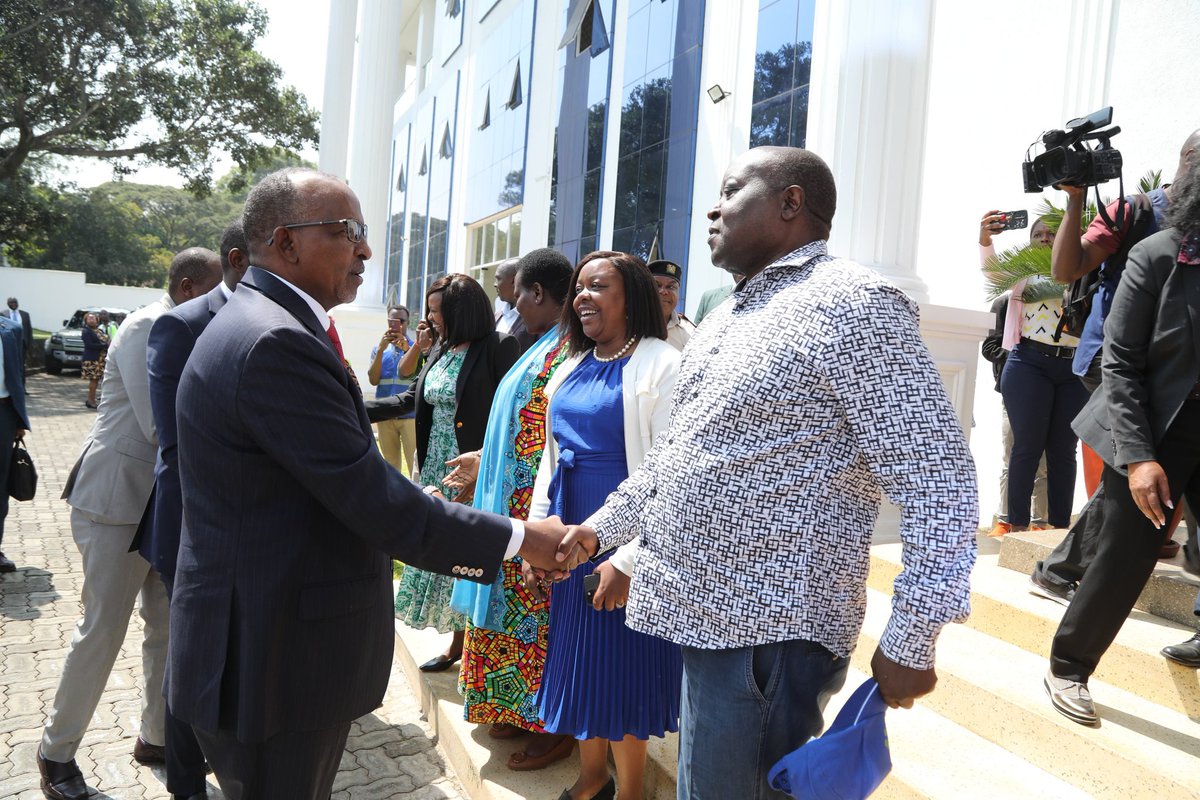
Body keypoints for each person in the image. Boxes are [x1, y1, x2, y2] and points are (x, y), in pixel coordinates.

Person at [554, 146, 978, 799]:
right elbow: (676, 459)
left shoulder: (853, 302)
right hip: (702, 616)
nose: (713, 207)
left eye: (732, 190)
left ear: (790, 203)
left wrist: (915, 632)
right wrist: (596, 530)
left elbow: (936, 476)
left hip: (769, 633)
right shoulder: (729, 317)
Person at [166, 168, 576, 799]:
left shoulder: (260, 322)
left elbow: (329, 471)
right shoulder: (274, 340)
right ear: (286, 242)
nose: (365, 250)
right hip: (274, 653)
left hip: (257, 639)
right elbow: (370, 501)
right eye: (347, 231)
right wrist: (522, 539)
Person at [37, 250, 222, 800]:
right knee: (102, 630)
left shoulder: (178, 325)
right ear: (188, 287)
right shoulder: (150, 326)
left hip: (157, 508)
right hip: (116, 504)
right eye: (214, 293)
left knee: (165, 627)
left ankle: (156, 738)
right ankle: (55, 754)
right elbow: (158, 426)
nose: (220, 307)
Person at [1045, 157, 1200, 726]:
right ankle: (1069, 666)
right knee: (1126, 555)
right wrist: (1138, 459)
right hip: (1153, 425)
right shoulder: (1157, 254)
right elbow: (1123, 364)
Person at [531, 251, 682, 800]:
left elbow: (669, 475)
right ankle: (592, 778)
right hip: (570, 529)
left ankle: (632, 790)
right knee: (578, 657)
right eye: (579, 288)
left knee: (621, 666)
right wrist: (537, 539)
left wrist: (630, 560)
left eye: (598, 287)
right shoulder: (570, 367)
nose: (583, 297)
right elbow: (552, 461)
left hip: (627, 533)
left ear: (631, 297)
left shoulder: (663, 364)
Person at [1032, 129, 1200, 598]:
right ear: (1187, 160)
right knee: (1134, 463)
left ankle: (1066, 568)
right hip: (1114, 359)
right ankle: (1061, 570)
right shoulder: (1135, 210)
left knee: (1142, 465)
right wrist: (1074, 201)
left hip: (1170, 371)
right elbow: (1066, 271)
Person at [443, 247, 577, 770]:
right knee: (511, 613)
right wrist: (484, 459)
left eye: (519, 291)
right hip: (510, 505)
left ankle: (552, 722)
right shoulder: (541, 342)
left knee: (535, 617)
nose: (514, 301)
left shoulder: (570, 350)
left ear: (538, 293)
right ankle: (517, 707)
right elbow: (517, 423)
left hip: (538, 512)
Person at [138, 231, 247, 800]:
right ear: (240, 260)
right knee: (190, 658)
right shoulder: (180, 325)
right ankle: (185, 783)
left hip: (244, 529)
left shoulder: (275, 320)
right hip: (191, 525)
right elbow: (175, 441)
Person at [370, 274, 520, 672]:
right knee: (441, 550)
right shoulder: (442, 349)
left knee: (467, 551)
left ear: (461, 310)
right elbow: (410, 398)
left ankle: (466, 649)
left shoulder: (498, 347)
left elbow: (511, 415)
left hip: (470, 467)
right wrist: (356, 406)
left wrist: (485, 465)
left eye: (437, 311)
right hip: (434, 465)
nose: (431, 319)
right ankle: (458, 645)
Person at [980, 213, 1080, 533]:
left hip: (1072, 367)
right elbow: (994, 271)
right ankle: (1018, 528)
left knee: (1064, 451)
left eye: (1053, 233)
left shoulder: (1081, 269)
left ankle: (1059, 531)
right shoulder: (1025, 273)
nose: (1046, 239)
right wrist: (985, 239)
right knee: (1026, 446)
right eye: (1039, 234)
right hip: (1029, 363)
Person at [980, 293, 1048, 536]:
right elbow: (989, 348)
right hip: (1015, 392)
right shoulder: (1004, 303)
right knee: (1012, 456)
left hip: (1052, 391)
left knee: (1045, 462)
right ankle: (1005, 520)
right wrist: (1024, 362)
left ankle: (1042, 523)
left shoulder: (1057, 298)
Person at [366, 305, 419, 476]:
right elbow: (373, 380)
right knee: (390, 467)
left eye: (401, 321)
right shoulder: (379, 350)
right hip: (385, 415)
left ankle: (417, 500)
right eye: (392, 321)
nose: (397, 325)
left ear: (407, 323)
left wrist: (407, 350)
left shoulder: (416, 349)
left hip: (409, 415)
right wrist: (381, 349)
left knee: (414, 465)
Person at [0, 312, 31, 574]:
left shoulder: (12, 330)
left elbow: (18, 375)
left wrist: (20, 419)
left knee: (0, 485)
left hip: (4, 413)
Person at [646, 259, 696, 351]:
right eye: (657, 285)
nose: (664, 291)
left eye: (671, 287)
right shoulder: (628, 327)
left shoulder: (690, 333)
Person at [495, 257, 538, 351]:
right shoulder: (496, 316)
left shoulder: (534, 319)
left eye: (498, 279)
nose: (495, 284)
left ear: (515, 280)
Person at [79, 313, 108, 409]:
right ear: (86, 321)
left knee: (98, 380)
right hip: (92, 359)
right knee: (94, 380)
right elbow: (89, 345)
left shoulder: (99, 330)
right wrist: (104, 346)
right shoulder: (86, 331)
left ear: (97, 320)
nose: (91, 320)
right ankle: (91, 401)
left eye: (93, 318)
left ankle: (91, 400)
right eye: (89, 318)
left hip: (101, 360)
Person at [6, 297, 33, 368]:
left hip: (22, 343)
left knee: (21, 364)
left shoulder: (25, 314)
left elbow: (29, 330)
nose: (13, 304)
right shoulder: (3, 314)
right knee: (10, 364)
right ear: (8, 304)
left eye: (15, 302)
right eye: (11, 302)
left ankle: (21, 379)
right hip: (9, 343)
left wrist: (29, 344)